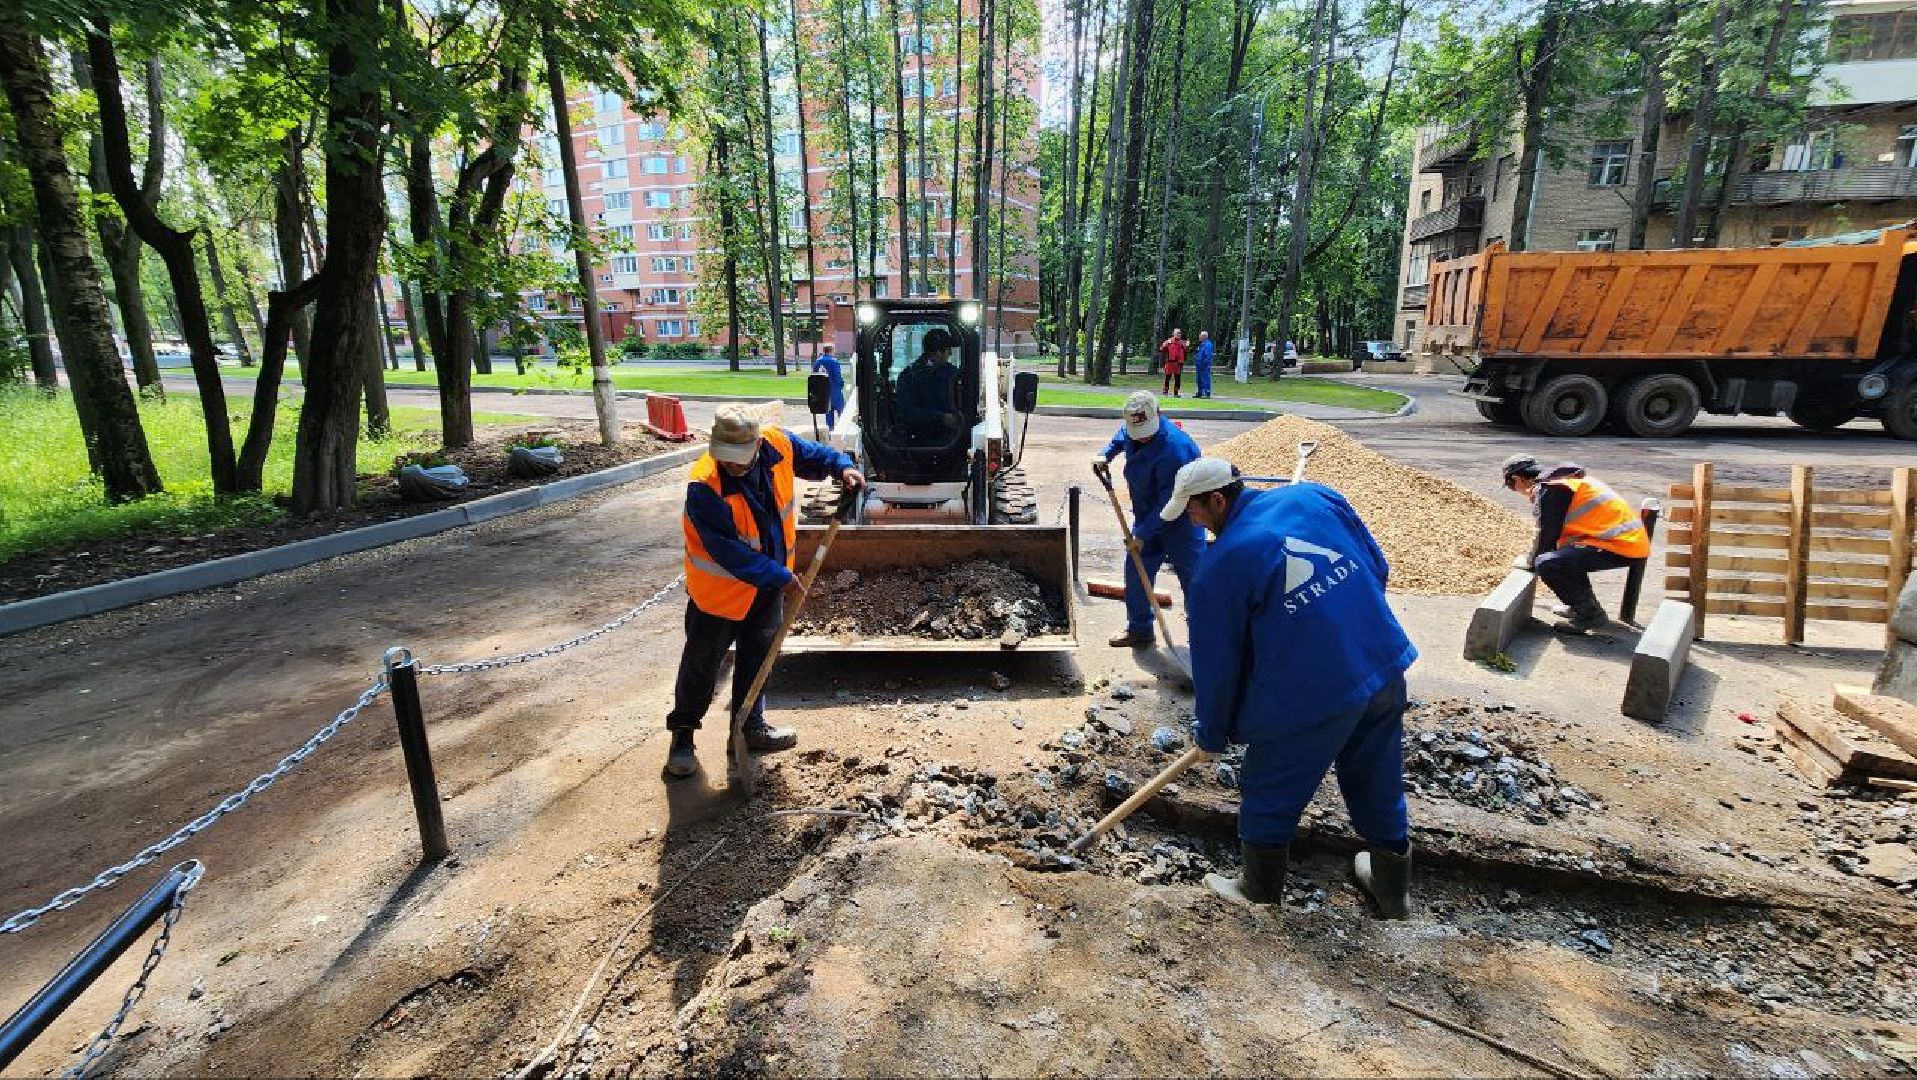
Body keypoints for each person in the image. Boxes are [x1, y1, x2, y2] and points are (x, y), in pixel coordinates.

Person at [1165, 457, 1420, 917]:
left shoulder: (1221, 566)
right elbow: (1376, 567)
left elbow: (1217, 664)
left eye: (1194, 510)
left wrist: (1212, 732)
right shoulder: (1314, 496)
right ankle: (1391, 890)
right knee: (1376, 779)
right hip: (1382, 664)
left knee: (1270, 784)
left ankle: (1258, 889)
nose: (1191, 520)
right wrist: (1346, 625)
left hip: (1314, 692)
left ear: (1218, 499)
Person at [666, 405, 865, 778]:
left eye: (740, 459)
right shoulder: (704, 488)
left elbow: (814, 456)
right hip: (719, 597)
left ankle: (748, 727)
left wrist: (842, 465)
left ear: (757, 444)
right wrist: (780, 576)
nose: (733, 466)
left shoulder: (778, 444)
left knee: (760, 658)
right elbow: (728, 552)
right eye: (726, 459)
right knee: (701, 667)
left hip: (766, 590)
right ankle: (682, 736)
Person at [1094, 391, 1204, 648]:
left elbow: (1169, 504)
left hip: (1183, 520)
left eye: (1146, 430)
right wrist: (1106, 454)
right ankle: (1140, 629)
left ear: (1159, 415)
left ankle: (1203, 639)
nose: (1141, 436)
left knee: (1194, 580)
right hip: (1147, 515)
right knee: (1136, 572)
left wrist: (1142, 534)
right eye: (1137, 431)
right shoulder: (1134, 427)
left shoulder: (1177, 450)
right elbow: (1122, 436)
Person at [1501, 454, 1651, 631]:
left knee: (1547, 563)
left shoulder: (1551, 488)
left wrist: (1529, 561)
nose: (1515, 490)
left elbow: (1546, 537)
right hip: (1625, 542)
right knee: (1564, 558)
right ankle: (1582, 607)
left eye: (1511, 486)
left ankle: (1590, 615)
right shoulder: (1568, 481)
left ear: (1517, 479)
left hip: (1622, 546)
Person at [894, 327, 963, 442]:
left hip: (952, 440)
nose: (950, 353)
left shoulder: (953, 374)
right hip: (918, 442)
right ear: (938, 353)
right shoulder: (910, 377)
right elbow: (906, 412)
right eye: (947, 350)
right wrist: (941, 418)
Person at [811, 342, 846, 430]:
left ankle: (830, 431)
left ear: (824, 351)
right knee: (841, 412)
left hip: (824, 390)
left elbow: (814, 375)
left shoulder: (818, 361)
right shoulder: (834, 361)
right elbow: (837, 376)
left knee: (829, 413)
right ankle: (842, 430)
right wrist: (841, 384)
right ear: (831, 350)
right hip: (835, 389)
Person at [1159, 329, 1188, 397]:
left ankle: (1176, 392)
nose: (1179, 334)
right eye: (1177, 333)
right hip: (1169, 362)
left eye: (1180, 333)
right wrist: (1164, 345)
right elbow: (1161, 349)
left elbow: (1185, 352)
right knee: (1167, 377)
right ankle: (1165, 391)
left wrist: (1186, 347)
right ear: (1173, 334)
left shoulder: (1182, 343)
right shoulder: (1169, 341)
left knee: (1177, 378)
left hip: (1178, 363)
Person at [1193, 331, 1216, 399]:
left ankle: (1207, 393)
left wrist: (1205, 363)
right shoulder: (1202, 344)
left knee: (1205, 379)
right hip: (1199, 365)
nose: (1199, 336)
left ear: (1204, 336)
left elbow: (1208, 356)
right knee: (1199, 379)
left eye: (1201, 335)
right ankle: (1200, 392)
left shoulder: (1208, 344)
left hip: (1204, 365)